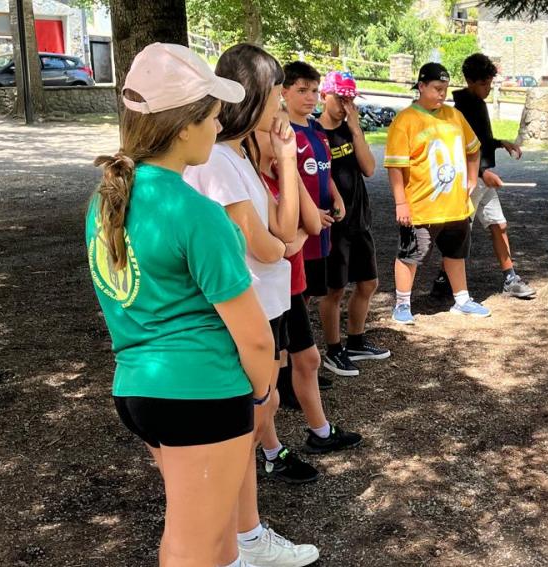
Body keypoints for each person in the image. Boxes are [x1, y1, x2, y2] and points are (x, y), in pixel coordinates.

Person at [86, 43, 317, 567]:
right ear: (185, 125)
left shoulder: (107, 201)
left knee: (212, 540)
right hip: (202, 396)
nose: (219, 128)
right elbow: (255, 337)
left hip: (139, 388)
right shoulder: (199, 215)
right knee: (195, 546)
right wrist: (260, 396)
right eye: (213, 117)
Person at [182, 43, 320, 566]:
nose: (282, 105)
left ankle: (249, 536)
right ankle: (237, 544)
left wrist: (286, 161)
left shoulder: (238, 152)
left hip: (267, 305)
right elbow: (271, 246)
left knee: (257, 419)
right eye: (276, 93)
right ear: (252, 94)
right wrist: (282, 239)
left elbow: (286, 234)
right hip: (240, 316)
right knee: (244, 427)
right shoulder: (217, 160)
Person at [279, 60, 365, 452]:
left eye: (315, 90)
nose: (311, 98)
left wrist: (334, 196)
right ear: (283, 92)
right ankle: (289, 373)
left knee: (308, 296)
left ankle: (298, 369)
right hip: (298, 232)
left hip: (321, 228)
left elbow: (323, 170)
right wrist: (309, 216)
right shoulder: (279, 133)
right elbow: (282, 184)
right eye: (303, 91)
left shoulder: (314, 130)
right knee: (293, 302)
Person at [384, 62, 486, 325]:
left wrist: (473, 177)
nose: (442, 94)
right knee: (411, 254)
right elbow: (396, 166)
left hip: (455, 206)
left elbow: (474, 149)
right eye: (437, 88)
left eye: (445, 89)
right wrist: (400, 202)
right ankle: (402, 303)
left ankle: (462, 299)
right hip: (420, 207)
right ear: (421, 87)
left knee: (455, 253)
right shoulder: (405, 120)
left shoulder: (454, 116)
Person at [430, 53, 535, 300]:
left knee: (499, 225)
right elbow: (460, 146)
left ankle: (510, 277)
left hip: (483, 178)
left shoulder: (479, 103)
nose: (487, 89)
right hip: (469, 180)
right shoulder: (462, 108)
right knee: (458, 231)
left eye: (489, 84)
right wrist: (480, 173)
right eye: (483, 84)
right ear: (469, 81)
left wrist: (501, 143)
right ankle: (445, 279)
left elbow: (481, 140)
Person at [315, 70, 391, 377]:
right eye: (340, 97)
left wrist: (356, 129)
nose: (345, 104)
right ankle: (333, 350)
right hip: (335, 224)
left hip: (360, 219)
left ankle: (356, 341)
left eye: (349, 98)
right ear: (325, 95)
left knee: (368, 283)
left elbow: (370, 169)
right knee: (334, 290)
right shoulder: (314, 131)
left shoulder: (349, 130)